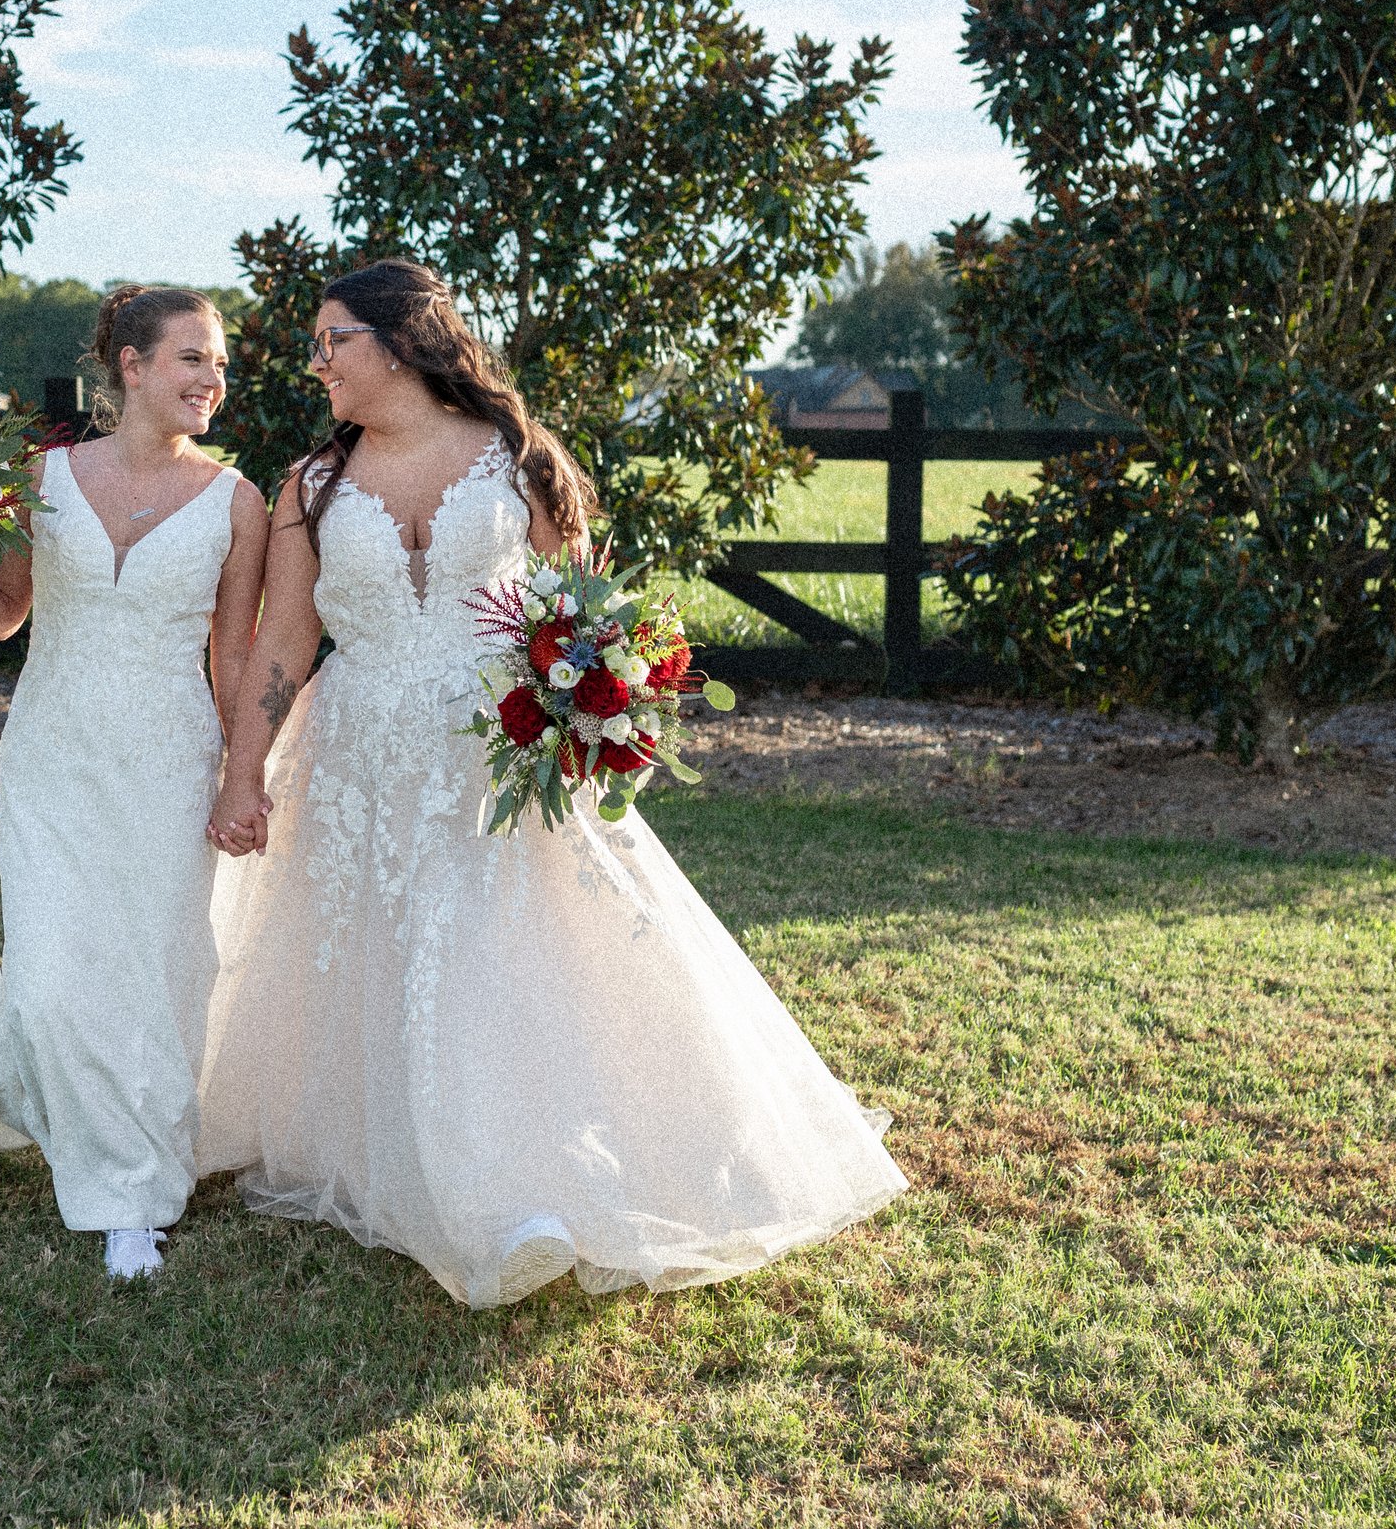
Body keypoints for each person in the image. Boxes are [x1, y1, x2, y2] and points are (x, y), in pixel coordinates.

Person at [200, 258, 906, 1307]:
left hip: (501, 760)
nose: (316, 363)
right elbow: (284, 642)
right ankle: (416, 1169)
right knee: (382, 966)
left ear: (397, 343)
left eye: (332, 339)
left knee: (499, 968)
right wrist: (242, 773)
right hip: (358, 760)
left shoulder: (518, 458)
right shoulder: (313, 485)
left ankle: (515, 1198)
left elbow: (583, 615)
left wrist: (601, 713)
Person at [0, 284, 268, 1279]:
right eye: (192, 358)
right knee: (49, 985)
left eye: (220, 362)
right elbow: (1, 609)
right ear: (133, 366)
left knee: (155, 982)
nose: (212, 379)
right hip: (52, 761)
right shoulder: (44, 477)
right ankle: (86, 1132)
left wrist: (244, 775)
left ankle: (134, 1200)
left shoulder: (240, 503)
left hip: (168, 764)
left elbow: (232, 662)